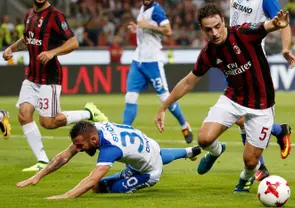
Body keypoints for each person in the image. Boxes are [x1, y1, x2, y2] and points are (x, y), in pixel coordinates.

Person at [155, 3, 290, 193]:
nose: (215, 33)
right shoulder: (208, 53)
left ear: (223, 22)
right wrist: (163, 107)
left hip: (262, 104)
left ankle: (245, 178)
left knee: (250, 161)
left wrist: (278, 24)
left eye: (217, 26)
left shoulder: (243, 33)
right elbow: (188, 83)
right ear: (202, 29)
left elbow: (266, 26)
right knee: (203, 140)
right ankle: (217, 151)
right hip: (233, 98)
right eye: (209, 29)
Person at [2, 0, 108, 172]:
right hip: (31, 76)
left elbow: (73, 42)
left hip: (49, 78)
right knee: (24, 115)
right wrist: (12, 49)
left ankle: (89, 112)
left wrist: (53, 52)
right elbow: (28, 39)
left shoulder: (56, 16)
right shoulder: (29, 14)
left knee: (49, 122)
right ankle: (42, 160)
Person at [16, 121, 202, 199]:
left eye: (80, 146)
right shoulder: (93, 129)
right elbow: (65, 155)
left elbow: (91, 180)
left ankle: (185, 153)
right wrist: (38, 175)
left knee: (101, 188)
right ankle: (188, 152)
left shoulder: (109, 149)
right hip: (148, 145)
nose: (78, 149)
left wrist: (66, 196)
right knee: (155, 154)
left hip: (148, 173)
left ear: (94, 141)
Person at [229, 0, 295, 182]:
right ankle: (278, 133)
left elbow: (283, 22)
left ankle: (260, 164)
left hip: (254, 64)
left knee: (244, 116)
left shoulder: (265, 0)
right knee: (240, 117)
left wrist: (285, 50)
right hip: (234, 61)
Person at [123, 0, 193, 143]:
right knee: (130, 97)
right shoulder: (144, 7)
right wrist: (138, 29)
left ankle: (184, 125)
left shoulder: (157, 10)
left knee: (165, 98)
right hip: (138, 60)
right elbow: (148, 31)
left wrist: (146, 26)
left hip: (152, 61)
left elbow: (168, 31)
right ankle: (123, 133)